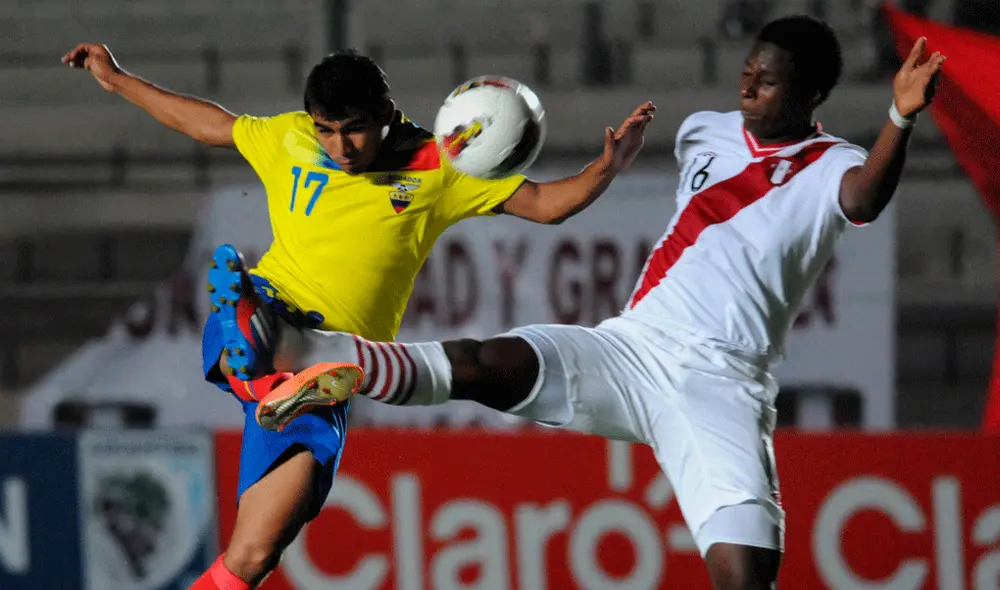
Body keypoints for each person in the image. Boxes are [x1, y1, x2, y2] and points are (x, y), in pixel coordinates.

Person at [247, 16, 946, 589]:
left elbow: (865, 199)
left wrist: (899, 117)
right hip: (633, 345)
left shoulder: (833, 165)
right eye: (746, 71)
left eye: (768, 79)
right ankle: (318, 352)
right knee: (488, 362)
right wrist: (608, 166)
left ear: (812, 92)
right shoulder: (705, 129)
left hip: (723, 382)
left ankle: (321, 353)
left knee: (746, 575)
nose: (748, 85)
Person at [61, 44, 655, 589]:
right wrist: (117, 80)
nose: (339, 147)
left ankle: (275, 377)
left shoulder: (440, 166)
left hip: (330, 376)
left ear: (386, 114)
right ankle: (267, 359)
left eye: (354, 130)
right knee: (252, 322)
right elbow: (208, 123)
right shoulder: (289, 136)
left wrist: (608, 166)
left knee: (252, 555)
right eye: (326, 130)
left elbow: (546, 205)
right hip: (270, 304)